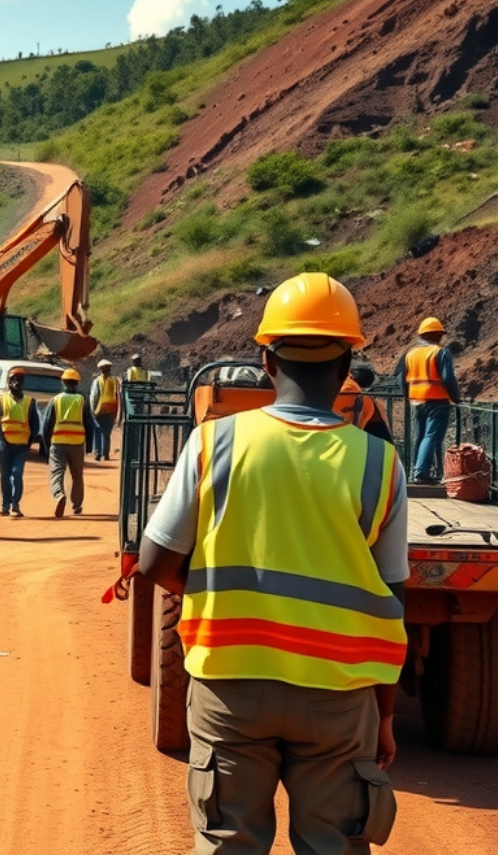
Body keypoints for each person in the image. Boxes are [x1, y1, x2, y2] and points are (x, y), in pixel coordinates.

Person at [138, 272, 407, 855]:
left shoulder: (215, 442)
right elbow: (391, 603)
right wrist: (384, 715)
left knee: (228, 842)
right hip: (339, 697)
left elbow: (154, 562)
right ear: (347, 364)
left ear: (267, 360)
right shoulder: (380, 465)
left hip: (232, 687)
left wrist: (211, 594)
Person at [392, 316, 460, 483]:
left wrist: (407, 395)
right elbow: (448, 377)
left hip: (416, 400)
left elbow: (400, 377)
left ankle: (414, 472)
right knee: (431, 436)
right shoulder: (440, 352)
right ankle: (422, 472)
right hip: (437, 400)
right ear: (438, 335)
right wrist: (456, 397)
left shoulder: (411, 354)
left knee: (419, 436)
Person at [0, 367, 40, 518]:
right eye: (13, 379)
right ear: (8, 381)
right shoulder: (0, 402)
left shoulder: (30, 402)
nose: (16, 382)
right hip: (3, 446)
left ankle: (15, 505)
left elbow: (35, 425)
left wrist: (29, 442)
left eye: (19, 379)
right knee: (4, 476)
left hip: (21, 447)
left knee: (17, 474)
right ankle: (5, 505)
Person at [42, 368, 90, 517]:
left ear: (63, 382)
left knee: (57, 472)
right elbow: (89, 424)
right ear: (77, 383)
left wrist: (46, 444)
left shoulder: (55, 400)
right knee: (77, 475)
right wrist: (89, 445)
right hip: (77, 443)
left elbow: (47, 424)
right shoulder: (82, 401)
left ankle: (59, 495)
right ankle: (76, 505)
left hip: (58, 442)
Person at [90, 358, 120, 461]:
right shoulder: (116, 380)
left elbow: (94, 396)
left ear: (100, 369)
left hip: (100, 409)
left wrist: (92, 409)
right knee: (107, 432)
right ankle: (105, 453)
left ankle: (98, 453)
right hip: (112, 409)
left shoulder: (97, 381)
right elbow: (119, 396)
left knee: (99, 430)